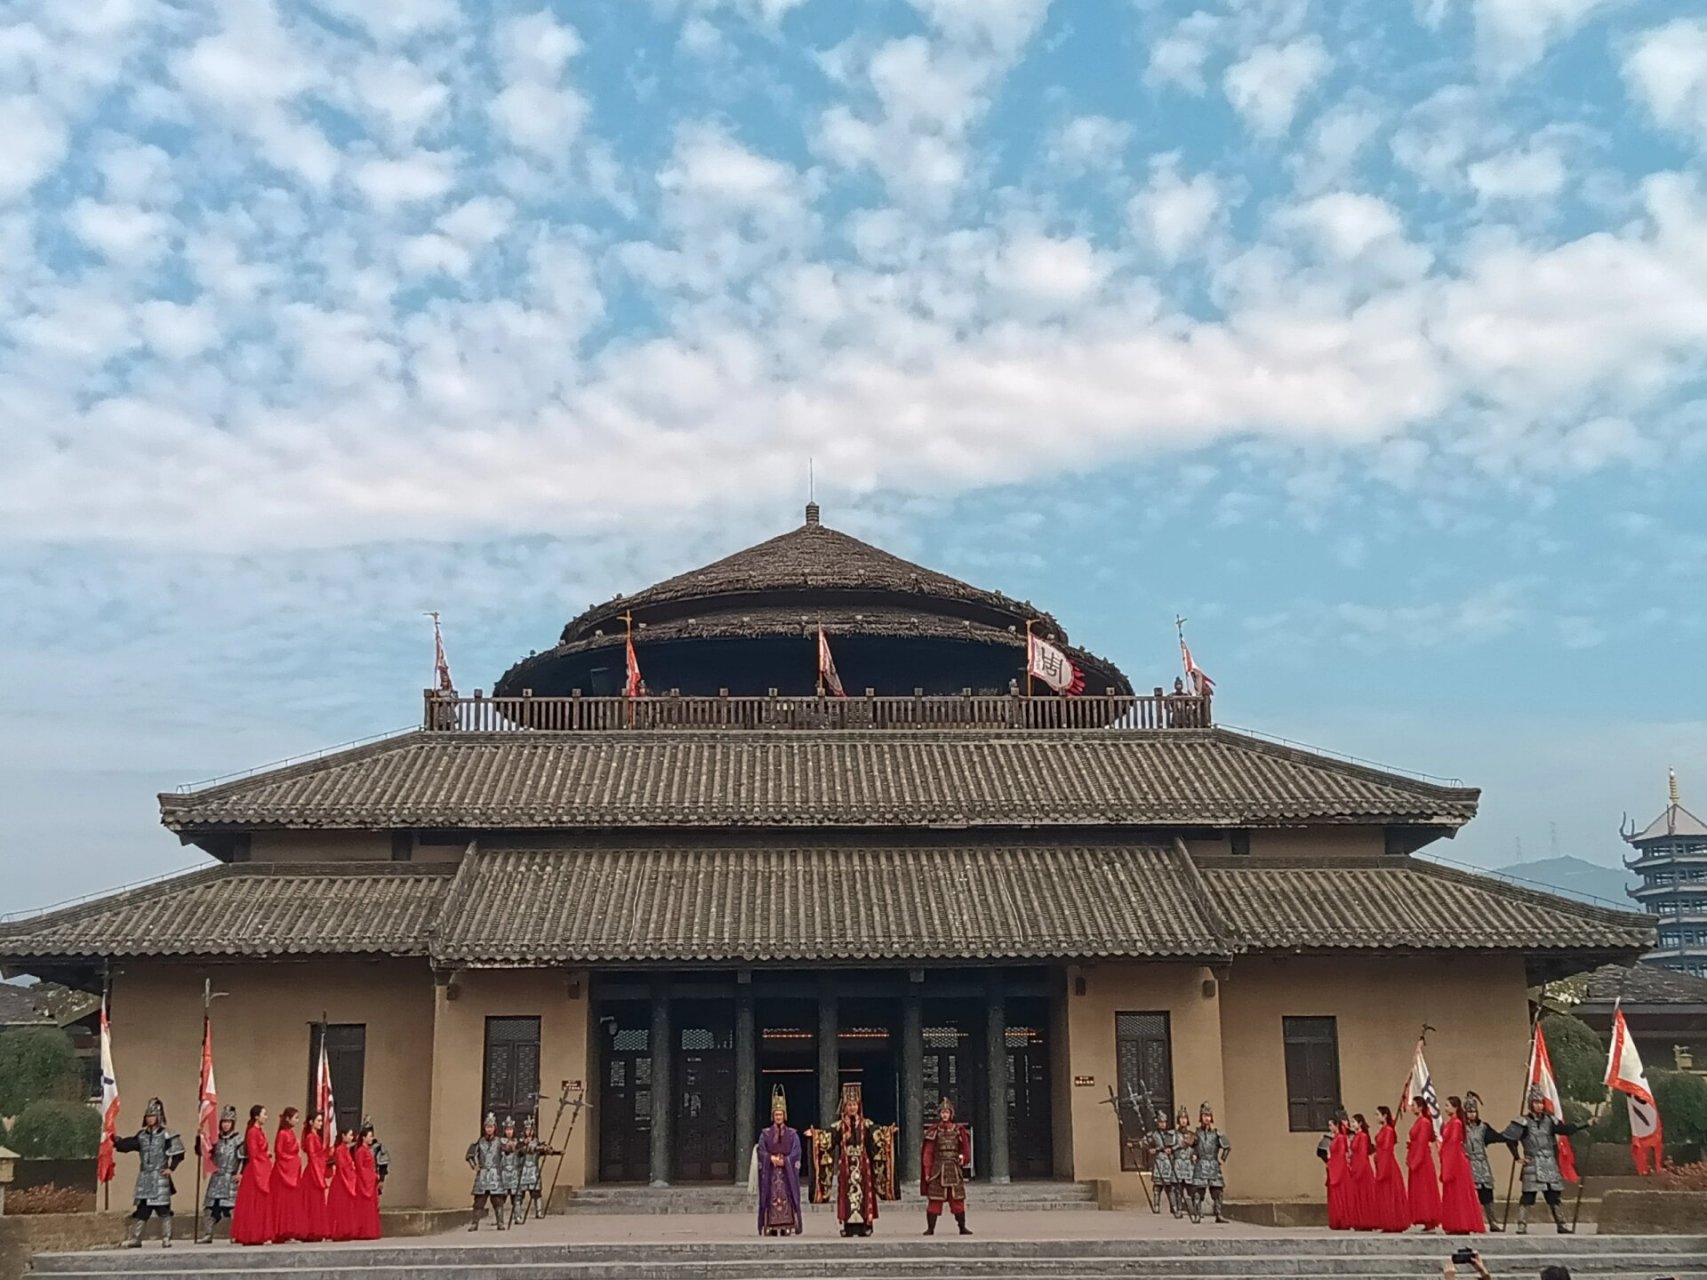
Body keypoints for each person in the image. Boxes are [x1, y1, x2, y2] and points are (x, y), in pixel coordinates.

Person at [1496, 1087, 1580, 1234]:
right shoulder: (1522, 1122)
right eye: (1536, 1102)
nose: (1539, 1105)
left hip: (1549, 1163)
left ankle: (1561, 1224)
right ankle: (1522, 1225)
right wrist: (1517, 1157)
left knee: (1554, 1196)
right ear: (1530, 1104)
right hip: (1533, 1163)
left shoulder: (1550, 1120)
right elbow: (1509, 1139)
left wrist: (1586, 1124)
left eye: (1541, 1102)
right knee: (1528, 1195)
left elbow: (1566, 1130)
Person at [114, 1096, 186, 1248]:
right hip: (145, 1177)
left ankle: (166, 1237)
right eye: (148, 1116)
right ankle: (136, 1238)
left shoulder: (168, 1135)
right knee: (142, 1210)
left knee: (164, 1210)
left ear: (158, 1117)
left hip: (160, 1177)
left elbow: (179, 1153)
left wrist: (171, 1168)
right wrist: (115, 1140)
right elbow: (129, 1145)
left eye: (152, 1116)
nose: (150, 1119)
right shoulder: (142, 1135)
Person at [831, 1090, 880, 1238]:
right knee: (847, 1194)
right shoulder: (839, 1126)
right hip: (846, 1164)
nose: (852, 1108)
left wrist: (888, 1133)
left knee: (865, 1193)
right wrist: (815, 1136)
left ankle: (866, 1225)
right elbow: (827, 1138)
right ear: (845, 1107)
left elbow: (877, 1139)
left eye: (854, 1105)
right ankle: (848, 1226)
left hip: (862, 1163)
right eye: (849, 1105)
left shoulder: (866, 1124)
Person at [921, 1096, 971, 1236]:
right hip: (938, 1169)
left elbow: (965, 1149)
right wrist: (927, 1171)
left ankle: (962, 1227)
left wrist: (963, 1158)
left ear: (951, 1114)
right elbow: (928, 1153)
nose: (944, 1115)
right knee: (935, 1200)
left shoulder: (958, 1130)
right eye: (942, 1112)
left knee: (957, 1200)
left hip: (954, 1168)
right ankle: (930, 1228)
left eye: (947, 1112)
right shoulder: (934, 1131)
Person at [757, 1088, 803, 1237]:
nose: (778, 1117)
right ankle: (770, 1225)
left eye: (780, 1114)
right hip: (771, 1172)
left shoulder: (792, 1134)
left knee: (787, 1196)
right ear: (773, 1116)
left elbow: (796, 1151)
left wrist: (786, 1161)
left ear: (784, 1116)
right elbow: (761, 1150)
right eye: (776, 1115)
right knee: (771, 1196)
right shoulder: (765, 1134)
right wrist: (769, 1158)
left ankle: (788, 1224)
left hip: (786, 1172)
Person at [1439, 1096, 1486, 1235]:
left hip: (1456, 1161)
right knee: (1453, 1193)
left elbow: (1453, 1143)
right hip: (1450, 1158)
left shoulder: (1457, 1123)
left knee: (1459, 1193)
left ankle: (1462, 1223)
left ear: (1455, 1107)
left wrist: (1448, 1165)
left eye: (1447, 1105)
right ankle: (1454, 1223)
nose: (1445, 1108)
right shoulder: (1451, 1123)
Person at [230, 1105, 274, 1247]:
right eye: (264, 1114)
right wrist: (264, 1158)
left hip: (261, 1168)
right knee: (254, 1203)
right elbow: (254, 1154)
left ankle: (260, 1233)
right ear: (256, 1116)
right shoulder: (252, 1132)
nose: (266, 1117)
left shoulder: (259, 1131)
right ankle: (253, 1234)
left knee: (260, 1203)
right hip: (255, 1171)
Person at [199, 1105, 243, 1243]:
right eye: (224, 1121)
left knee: (232, 1209)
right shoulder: (215, 1140)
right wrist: (199, 1140)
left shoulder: (239, 1140)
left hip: (230, 1177)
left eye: (228, 1122)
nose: (226, 1125)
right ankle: (207, 1234)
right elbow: (205, 1152)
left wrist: (241, 1173)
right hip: (217, 1177)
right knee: (210, 1209)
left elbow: (245, 1158)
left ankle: (235, 1234)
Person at [1461, 1093, 1503, 1233]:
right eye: (1469, 1112)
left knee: (1487, 1193)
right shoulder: (1460, 1127)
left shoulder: (1484, 1127)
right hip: (1468, 1163)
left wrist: (1510, 1135)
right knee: (1470, 1194)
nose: (1472, 1115)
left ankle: (1492, 1221)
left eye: (1474, 1112)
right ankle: (1470, 1221)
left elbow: (1496, 1137)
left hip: (1482, 1164)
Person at [1185, 1101, 1230, 1225]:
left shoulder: (1216, 1133)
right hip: (1201, 1164)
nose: (1207, 1118)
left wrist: (1222, 1159)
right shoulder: (1196, 1134)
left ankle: (1219, 1214)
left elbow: (1227, 1146)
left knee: (1218, 1192)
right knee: (1198, 1193)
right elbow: (1187, 1146)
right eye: (1204, 1116)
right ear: (1201, 1117)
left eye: (1208, 1116)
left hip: (1213, 1164)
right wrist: (1192, 1155)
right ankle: (1198, 1214)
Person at [270, 1107, 307, 1244]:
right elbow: (279, 1153)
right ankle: (283, 1232)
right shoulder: (283, 1134)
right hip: (283, 1174)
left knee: (291, 1205)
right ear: (288, 1118)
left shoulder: (290, 1132)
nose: (297, 1120)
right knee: (283, 1205)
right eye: (295, 1117)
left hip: (291, 1172)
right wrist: (292, 1160)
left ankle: (290, 1232)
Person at [1373, 1106, 1411, 1233]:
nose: (1376, 1117)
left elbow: (1387, 1150)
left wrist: (1382, 1168)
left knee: (1390, 1193)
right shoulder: (1383, 1129)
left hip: (1388, 1165)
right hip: (1382, 1163)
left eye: (1378, 1114)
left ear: (1384, 1115)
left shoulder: (1388, 1130)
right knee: (1385, 1193)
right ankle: (1387, 1221)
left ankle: (1394, 1222)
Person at [1408, 1097, 1443, 1232]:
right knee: (1420, 1188)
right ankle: (1425, 1218)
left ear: (1420, 1107)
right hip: (1416, 1156)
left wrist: (1415, 1161)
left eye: (1414, 1105)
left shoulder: (1424, 1122)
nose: (1412, 1108)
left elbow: (1422, 1142)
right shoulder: (1420, 1121)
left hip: (1422, 1160)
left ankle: (1429, 1217)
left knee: (1424, 1188)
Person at [467, 1113, 506, 1231]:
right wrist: (475, 1166)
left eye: (491, 1127)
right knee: (479, 1201)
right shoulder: (480, 1142)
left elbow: (508, 1151)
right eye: (487, 1127)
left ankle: (500, 1222)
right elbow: (470, 1155)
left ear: (495, 1128)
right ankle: (475, 1223)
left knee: (498, 1200)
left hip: (495, 1174)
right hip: (483, 1175)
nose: (489, 1129)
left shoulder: (500, 1142)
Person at [513, 1115, 552, 1225]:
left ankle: (539, 1211)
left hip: (534, 1171)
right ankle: (518, 1215)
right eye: (527, 1130)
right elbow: (519, 1151)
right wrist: (526, 1147)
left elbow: (544, 1150)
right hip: (523, 1171)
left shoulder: (537, 1142)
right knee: (519, 1195)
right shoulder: (520, 1143)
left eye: (530, 1130)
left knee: (536, 1193)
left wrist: (549, 1150)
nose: (528, 1132)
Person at [1143, 1108, 1181, 1219]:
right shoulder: (1153, 1135)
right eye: (1161, 1122)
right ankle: (1156, 1205)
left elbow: (1179, 1144)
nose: (1163, 1124)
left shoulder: (1171, 1134)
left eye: (1164, 1122)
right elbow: (1144, 1142)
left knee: (1170, 1187)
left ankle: (1173, 1206)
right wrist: (1150, 1149)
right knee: (1157, 1187)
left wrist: (1172, 1149)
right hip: (1159, 1160)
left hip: (1169, 1161)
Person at [301, 1111, 331, 1242]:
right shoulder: (310, 1137)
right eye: (318, 1121)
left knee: (316, 1202)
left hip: (317, 1170)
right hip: (313, 1173)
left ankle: (316, 1230)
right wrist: (319, 1175)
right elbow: (313, 1157)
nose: (320, 1124)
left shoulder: (315, 1136)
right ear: (311, 1122)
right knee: (312, 1202)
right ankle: (311, 1231)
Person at [327, 1128, 359, 1241]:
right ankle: (340, 1231)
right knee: (341, 1208)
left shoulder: (345, 1149)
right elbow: (342, 1167)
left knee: (346, 1208)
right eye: (350, 1135)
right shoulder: (340, 1150)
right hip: (342, 1182)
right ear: (343, 1136)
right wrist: (351, 1171)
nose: (351, 1138)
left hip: (345, 1180)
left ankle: (346, 1231)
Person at [1348, 1113, 1378, 1231]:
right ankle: (1359, 1220)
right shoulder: (1356, 1136)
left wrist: (1358, 1171)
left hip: (1362, 1168)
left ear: (1360, 1123)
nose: (1352, 1124)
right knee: (1358, 1195)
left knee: (1364, 1195)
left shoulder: (1363, 1136)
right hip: (1356, 1166)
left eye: (1354, 1122)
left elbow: (1362, 1154)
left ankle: (1366, 1221)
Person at [354, 1121, 383, 1240]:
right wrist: (372, 1176)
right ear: (364, 1138)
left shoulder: (367, 1150)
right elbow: (361, 1168)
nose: (372, 1138)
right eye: (370, 1136)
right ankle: (365, 1231)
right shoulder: (361, 1151)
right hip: (364, 1182)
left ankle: (371, 1231)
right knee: (365, 1208)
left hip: (369, 1181)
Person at [1322, 1112, 1351, 1230]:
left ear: (1336, 1125)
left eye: (1331, 1125)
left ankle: (1342, 1219)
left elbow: (1341, 1155)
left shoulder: (1340, 1138)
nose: (1330, 1128)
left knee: (1340, 1196)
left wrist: (1334, 1168)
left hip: (1338, 1170)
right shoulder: (1336, 1138)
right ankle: (1337, 1220)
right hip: (1334, 1167)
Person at [1174, 1107, 1197, 1222]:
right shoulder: (1173, 1134)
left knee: (1191, 1189)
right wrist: (1179, 1146)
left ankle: (1193, 1210)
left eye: (1185, 1118)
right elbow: (1170, 1147)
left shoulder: (1192, 1135)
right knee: (1178, 1189)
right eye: (1181, 1118)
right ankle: (1178, 1209)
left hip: (1188, 1164)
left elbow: (1196, 1148)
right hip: (1178, 1162)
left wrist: (1194, 1155)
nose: (1183, 1121)